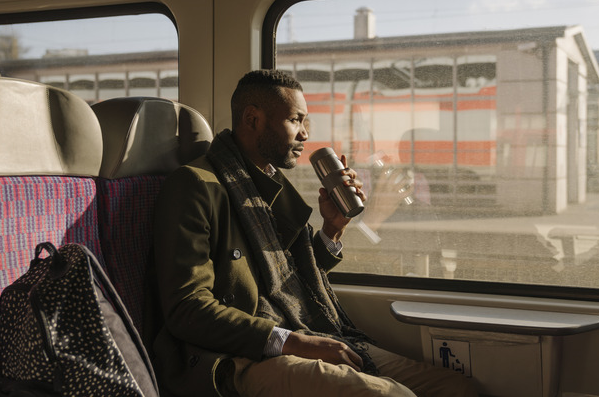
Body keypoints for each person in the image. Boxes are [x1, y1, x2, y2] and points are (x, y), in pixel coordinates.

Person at [150, 69, 478, 397]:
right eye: (296, 120)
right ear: (253, 119)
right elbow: (187, 308)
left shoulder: (269, 184)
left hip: (298, 330)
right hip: (236, 357)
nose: (305, 134)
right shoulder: (196, 185)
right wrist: (292, 341)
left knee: (455, 388)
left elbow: (290, 275)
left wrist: (332, 230)